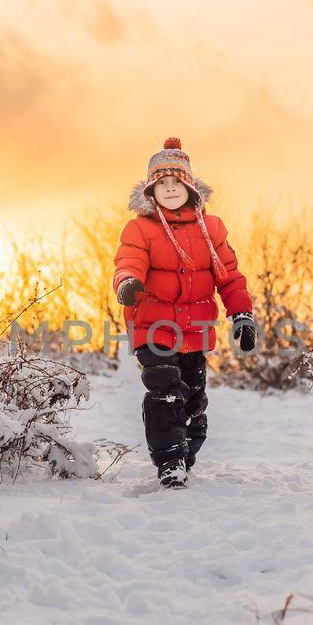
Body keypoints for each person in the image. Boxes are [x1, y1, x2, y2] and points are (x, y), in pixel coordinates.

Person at [111, 137, 258, 489]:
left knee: (192, 400)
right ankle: (170, 461)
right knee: (166, 391)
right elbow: (128, 260)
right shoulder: (140, 229)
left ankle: (185, 452)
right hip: (153, 326)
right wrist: (128, 282)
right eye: (162, 183)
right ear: (151, 190)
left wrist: (241, 314)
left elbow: (230, 276)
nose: (171, 189)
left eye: (177, 182)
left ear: (190, 186)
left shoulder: (213, 229)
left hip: (195, 330)